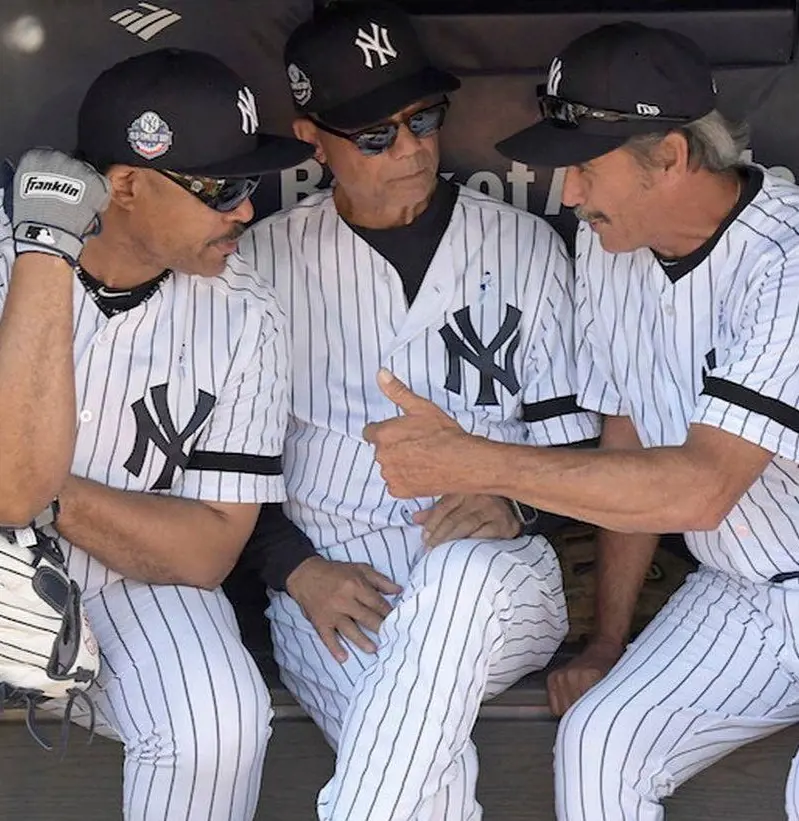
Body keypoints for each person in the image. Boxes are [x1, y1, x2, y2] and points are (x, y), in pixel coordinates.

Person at [364, 20, 799, 821]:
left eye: (585, 170)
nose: (566, 195)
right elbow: (626, 442)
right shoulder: (608, 247)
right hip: (745, 589)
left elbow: (699, 489)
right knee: (601, 739)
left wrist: (473, 461)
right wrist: (607, 639)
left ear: (668, 156)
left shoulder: (787, 261)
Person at [239, 2, 599, 819]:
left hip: (497, 574)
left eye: (422, 118)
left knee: (456, 586)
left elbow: (580, 452)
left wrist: (517, 501)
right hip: (333, 585)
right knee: (425, 779)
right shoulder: (258, 265)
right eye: (374, 134)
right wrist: (296, 569)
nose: (409, 148)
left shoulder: (524, 245)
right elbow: (225, 468)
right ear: (311, 138)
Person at [0, 48, 314, 820]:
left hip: (132, 572)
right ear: (128, 185)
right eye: (222, 188)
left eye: (252, 185)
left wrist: (47, 494)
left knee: (218, 722)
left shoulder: (248, 313)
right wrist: (42, 255)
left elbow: (207, 548)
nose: (245, 210)